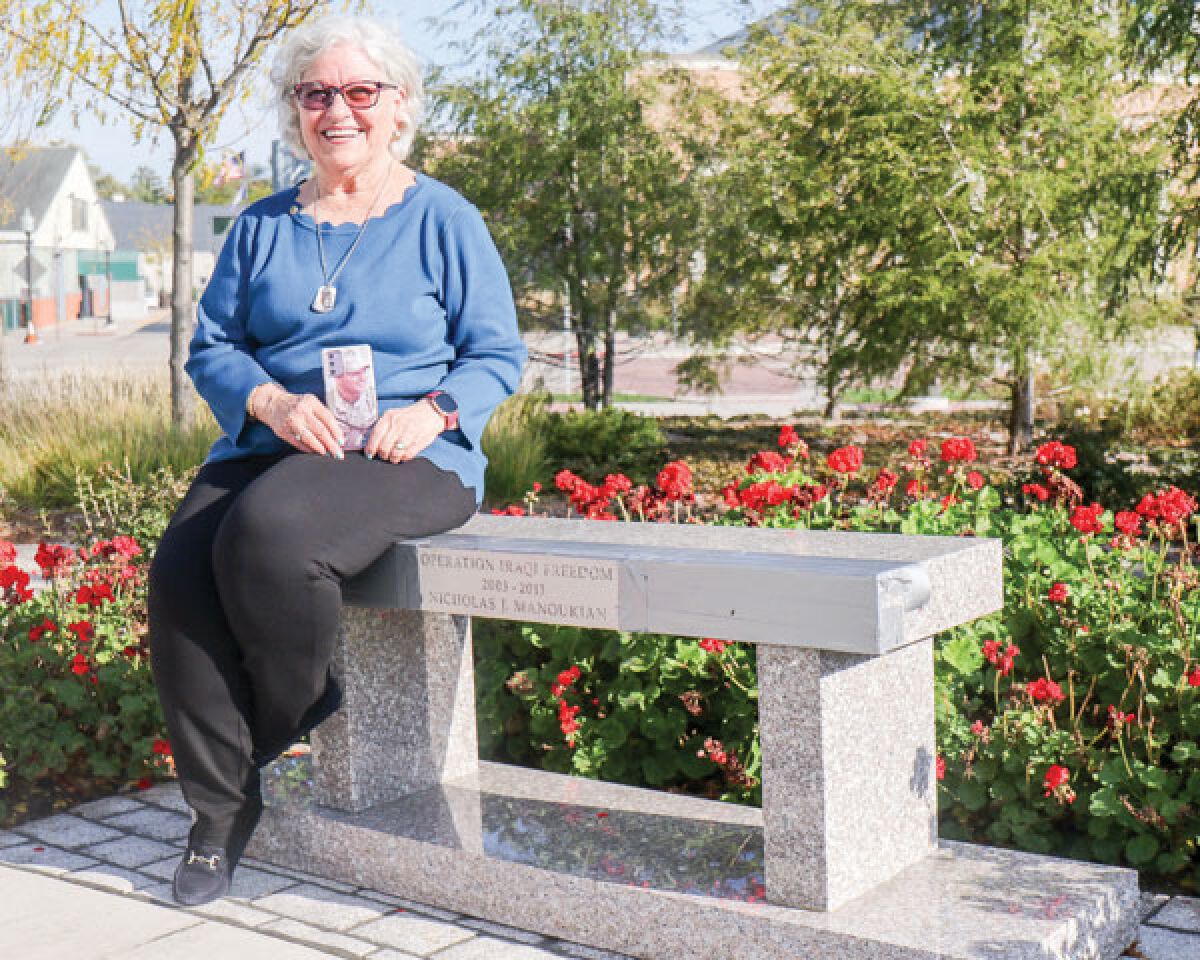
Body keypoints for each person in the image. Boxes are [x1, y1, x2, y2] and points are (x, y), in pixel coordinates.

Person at [147, 14, 526, 908]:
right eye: (318, 94)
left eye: (361, 92)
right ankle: (218, 816)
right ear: (296, 114)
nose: (338, 110)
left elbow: (497, 355)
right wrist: (270, 402)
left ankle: (291, 704)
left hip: (411, 455)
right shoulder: (262, 226)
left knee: (272, 531)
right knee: (179, 572)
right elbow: (213, 348)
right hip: (279, 440)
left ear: (399, 108)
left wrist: (433, 412)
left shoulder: (442, 217)